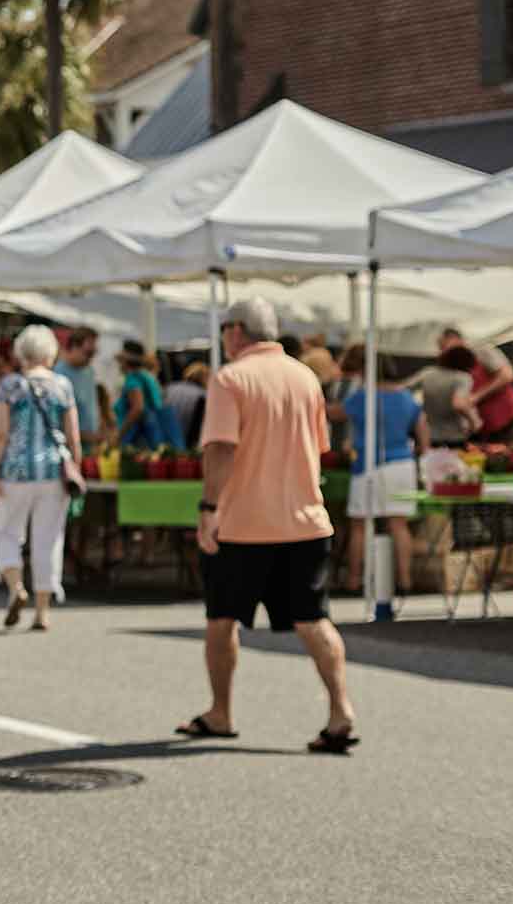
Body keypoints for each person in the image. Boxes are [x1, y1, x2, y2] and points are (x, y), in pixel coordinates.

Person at [184, 297, 358, 754]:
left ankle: (221, 713)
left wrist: (208, 507)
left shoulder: (231, 378)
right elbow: (318, 447)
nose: (223, 336)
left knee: (222, 620)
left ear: (238, 331)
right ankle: (340, 710)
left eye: (225, 327)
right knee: (314, 619)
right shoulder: (306, 378)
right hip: (305, 521)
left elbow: (220, 449)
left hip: (244, 525)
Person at [0, 325, 81, 632]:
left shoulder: (9, 386)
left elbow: (0, 433)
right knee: (49, 538)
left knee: (5, 532)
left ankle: (16, 588)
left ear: (21, 354)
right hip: (53, 471)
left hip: (15, 471)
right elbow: (73, 436)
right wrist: (75, 466)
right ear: (49, 353)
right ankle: (42, 611)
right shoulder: (62, 386)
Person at [340, 353, 424, 596]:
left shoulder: (362, 397)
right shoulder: (407, 397)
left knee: (359, 525)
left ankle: (354, 581)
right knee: (399, 525)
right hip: (402, 464)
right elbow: (422, 431)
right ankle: (405, 581)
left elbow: (336, 413)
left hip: (368, 464)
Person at [443, 327, 513, 442]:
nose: (442, 351)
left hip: (511, 423)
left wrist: (476, 397)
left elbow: (507, 375)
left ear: (456, 339)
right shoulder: (453, 367)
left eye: (444, 345)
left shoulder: (480, 349)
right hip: (487, 431)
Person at [415, 345, 482, 447]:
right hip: (454, 437)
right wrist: (474, 421)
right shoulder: (462, 378)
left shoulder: (427, 373)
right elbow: (459, 404)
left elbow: (402, 387)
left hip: (429, 436)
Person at [114, 340, 175, 449]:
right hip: (155, 438)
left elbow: (138, 408)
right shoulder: (148, 377)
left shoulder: (132, 379)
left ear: (125, 361)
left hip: (139, 441)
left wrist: (118, 435)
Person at [56, 328, 102, 448]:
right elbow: (58, 419)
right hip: (70, 445)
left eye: (94, 353)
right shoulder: (59, 374)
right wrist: (83, 435)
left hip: (90, 444)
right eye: (88, 353)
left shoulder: (89, 371)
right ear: (74, 347)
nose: (91, 358)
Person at [164, 361, 210, 449]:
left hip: (165, 439)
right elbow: (199, 426)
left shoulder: (170, 388)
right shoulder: (202, 395)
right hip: (186, 442)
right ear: (204, 378)